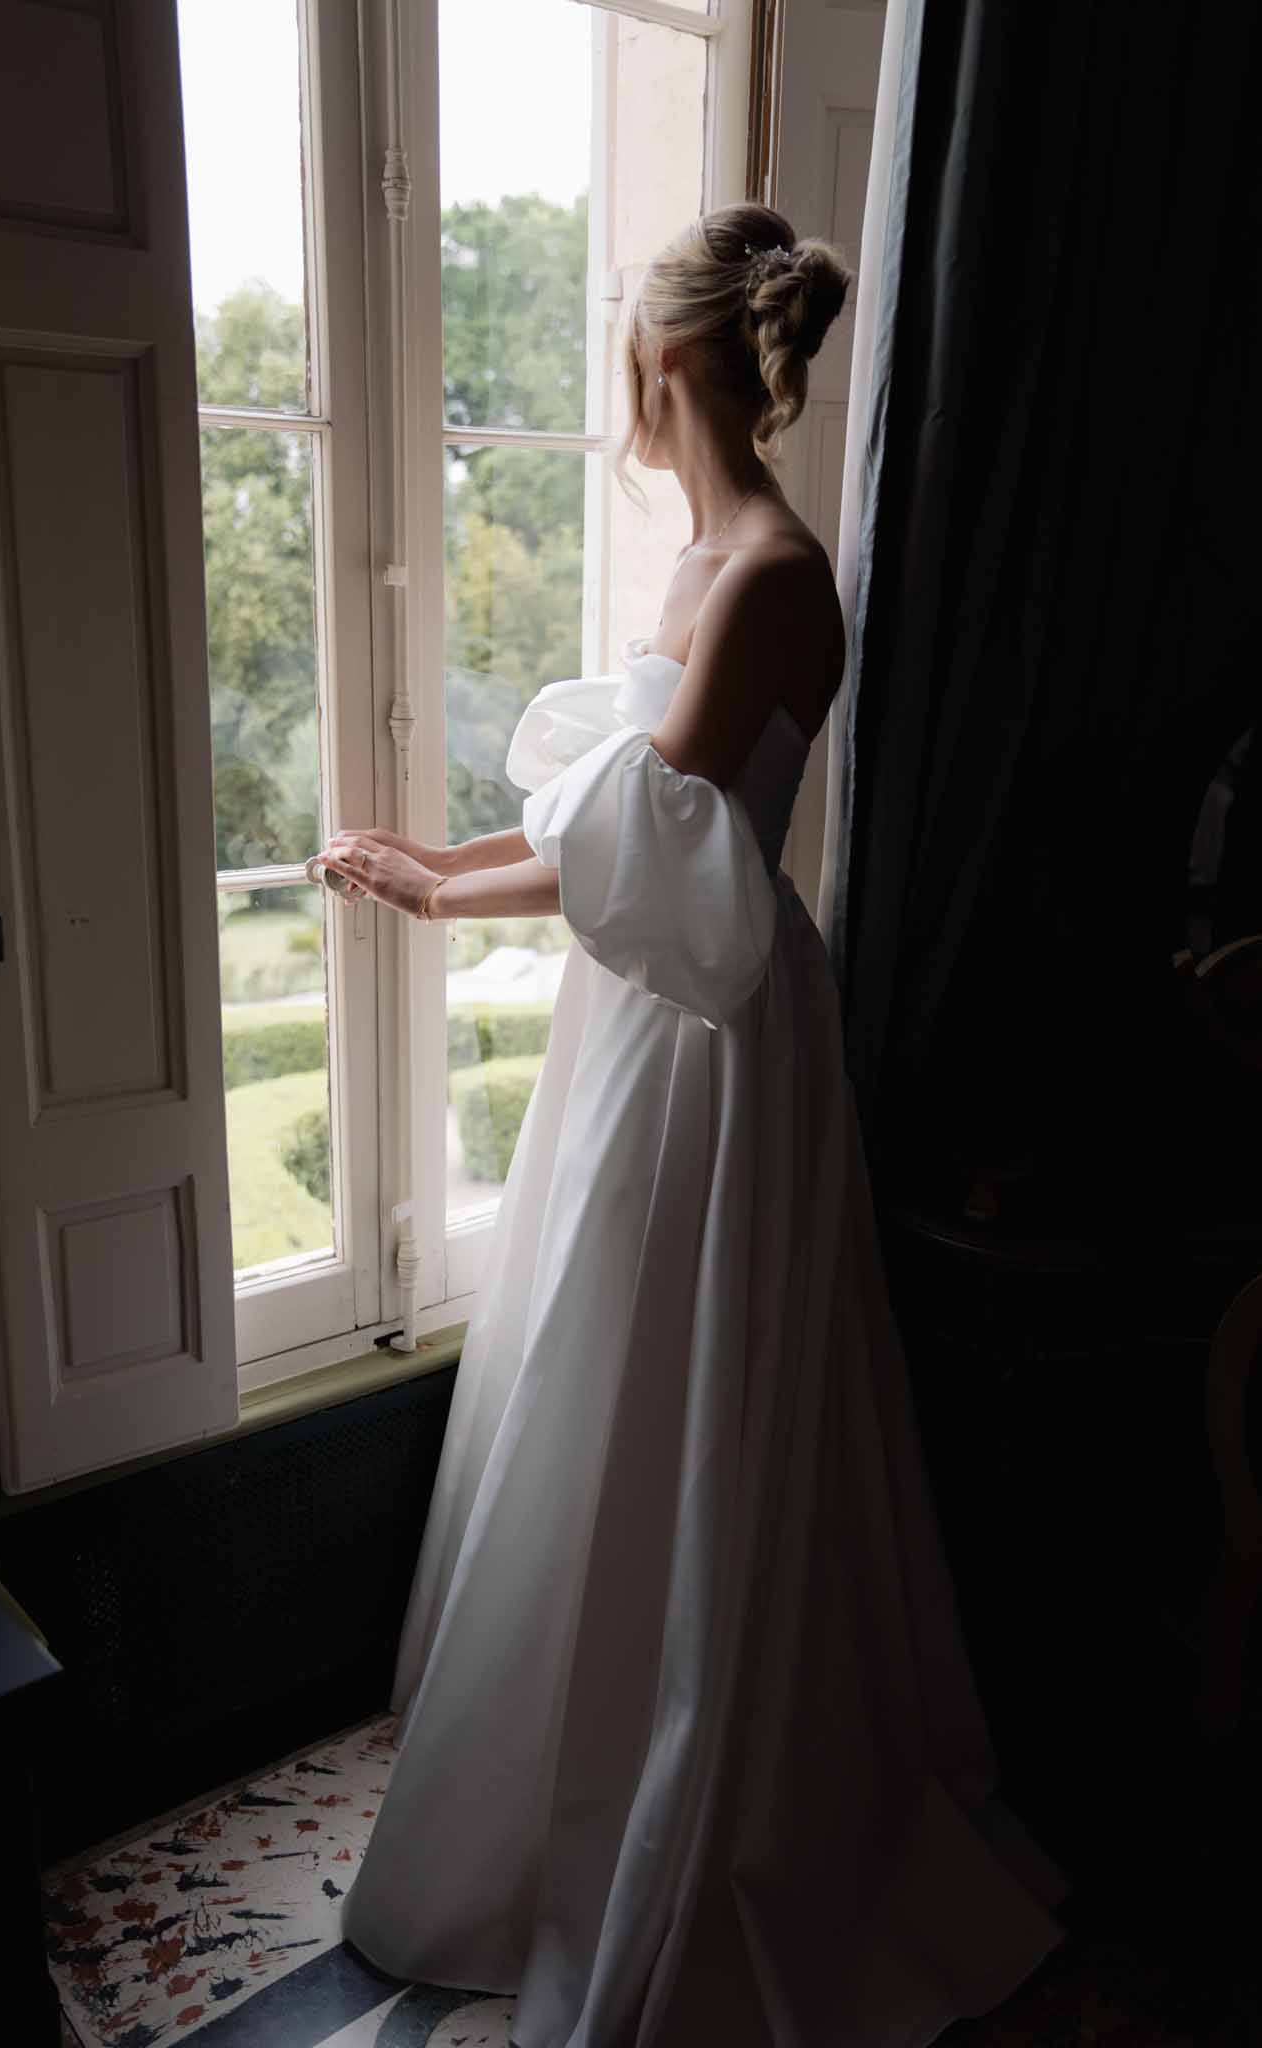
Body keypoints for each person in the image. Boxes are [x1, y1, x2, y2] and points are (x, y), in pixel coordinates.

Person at [318, 203, 1069, 2048]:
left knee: (693, 1385)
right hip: (651, 1007)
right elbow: (605, 814)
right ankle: (566, 1746)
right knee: (599, 1368)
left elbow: (650, 846)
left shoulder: (765, 577)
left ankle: (701, 1789)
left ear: (661, 365)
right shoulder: (703, 565)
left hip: (715, 1028)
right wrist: (432, 854)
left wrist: (433, 900)